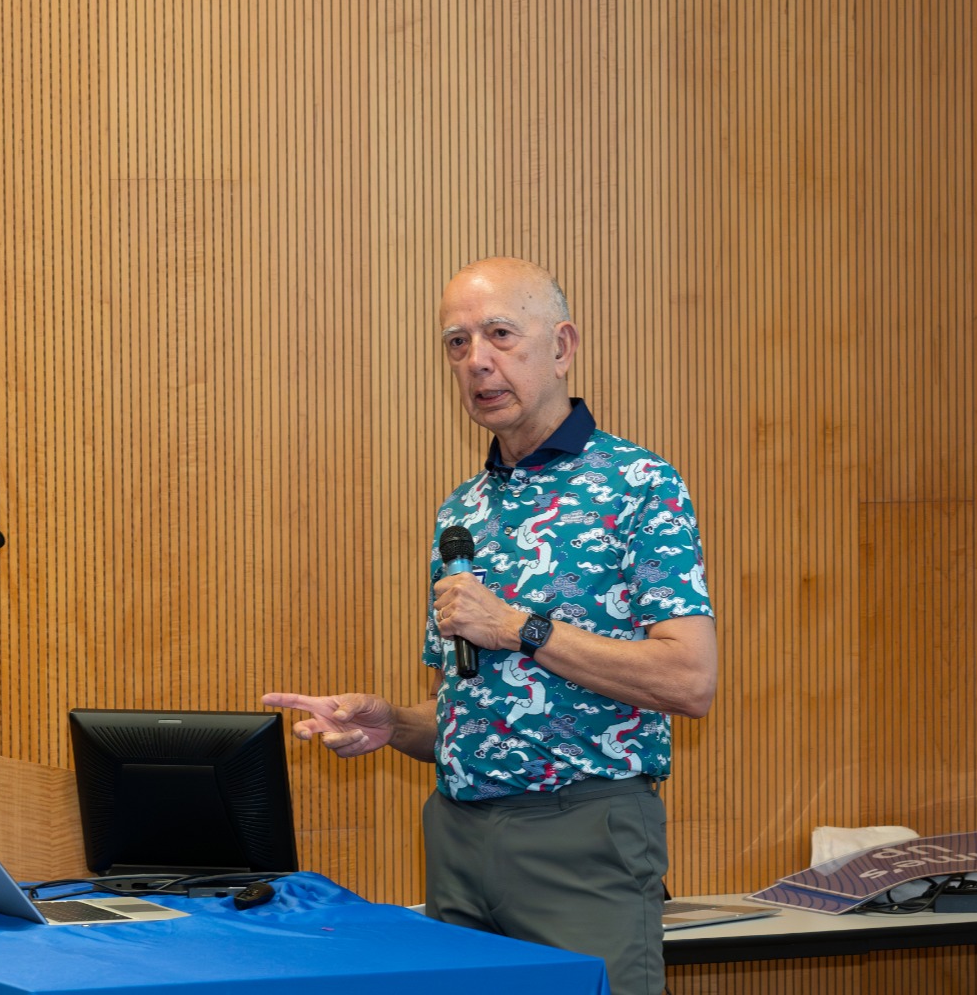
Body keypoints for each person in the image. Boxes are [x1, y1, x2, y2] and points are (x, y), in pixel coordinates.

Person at [263, 256, 717, 995]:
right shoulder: (461, 510)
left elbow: (690, 680)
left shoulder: (638, 484)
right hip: (456, 836)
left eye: (500, 335)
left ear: (562, 345)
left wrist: (520, 628)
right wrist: (390, 724)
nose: (477, 361)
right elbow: (466, 711)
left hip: (580, 837)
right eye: (456, 343)